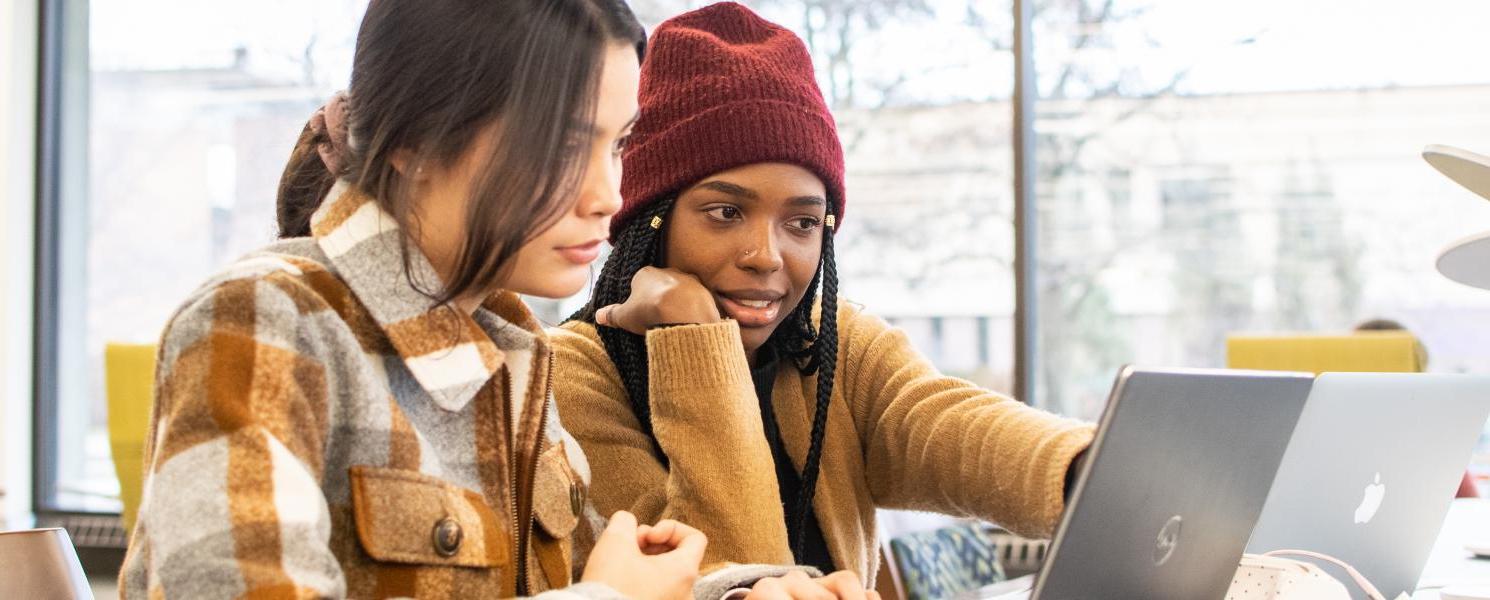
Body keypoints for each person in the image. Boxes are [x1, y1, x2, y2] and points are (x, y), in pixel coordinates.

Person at [118, 1, 813, 597]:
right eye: (563, 146)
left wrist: (755, 591)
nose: (608, 196)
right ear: (416, 138)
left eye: (618, 146)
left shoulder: (513, 354)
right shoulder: (262, 322)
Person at [551, 2, 1096, 585]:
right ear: (649, 219)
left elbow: (951, 430)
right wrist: (696, 341)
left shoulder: (832, 345)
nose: (766, 255)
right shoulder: (569, 377)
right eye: (725, 212)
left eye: (803, 223)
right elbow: (732, 577)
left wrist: (1094, 467)